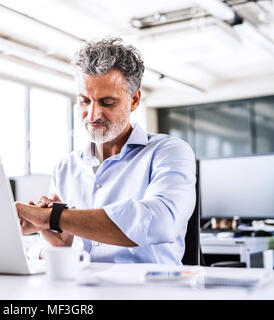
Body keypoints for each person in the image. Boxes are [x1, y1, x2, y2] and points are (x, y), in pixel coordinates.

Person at [15, 37, 196, 264]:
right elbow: (43, 246)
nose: (92, 116)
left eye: (107, 102)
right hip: (81, 291)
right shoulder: (66, 167)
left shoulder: (168, 152)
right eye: (84, 101)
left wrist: (55, 217)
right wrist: (59, 244)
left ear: (134, 100)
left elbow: (159, 222)